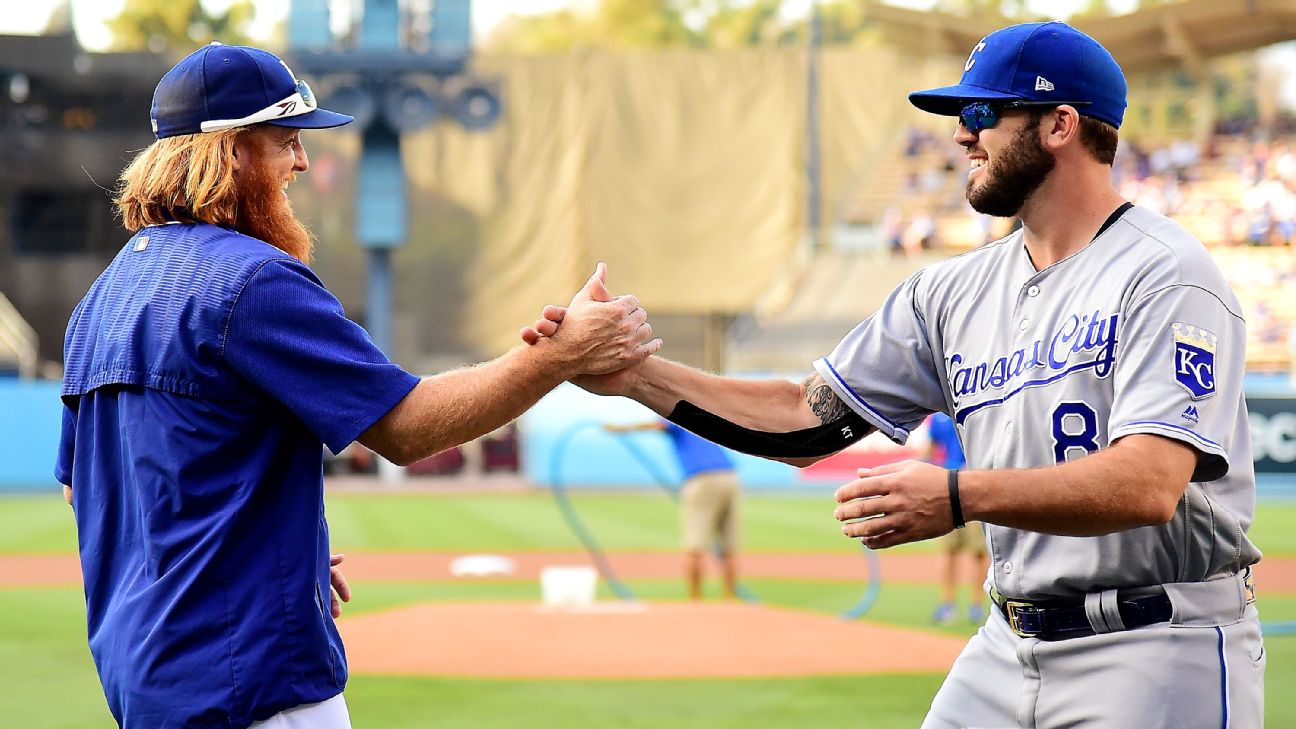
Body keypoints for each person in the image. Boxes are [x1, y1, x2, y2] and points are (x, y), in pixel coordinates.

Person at [525, 21, 1264, 728]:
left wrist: (956, 496)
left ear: (1059, 125)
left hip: (1156, 640)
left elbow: (1148, 482)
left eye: (979, 111)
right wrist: (635, 376)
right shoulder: (950, 292)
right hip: (1010, 642)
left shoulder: (1165, 273)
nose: (959, 133)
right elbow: (803, 419)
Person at [54, 43, 660, 729]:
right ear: (229, 152)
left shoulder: (100, 300)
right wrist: (558, 356)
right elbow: (403, 428)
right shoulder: (252, 280)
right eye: (286, 141)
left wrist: (271, 550)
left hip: (145, 684)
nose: (303, 163)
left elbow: (90, 487)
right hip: (251, 686)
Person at [605, 419, 741, 600]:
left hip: (702, 478)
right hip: (730, 476)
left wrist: (621, 428)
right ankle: (730, 597)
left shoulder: (679, 416)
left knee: (694, 545)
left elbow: (659, 425)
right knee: (728, 545)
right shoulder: (702, 416)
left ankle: (695, 600)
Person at [921, 412, 988, 625]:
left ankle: (976, 605)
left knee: (978, 552)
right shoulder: (939, 417)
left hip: (975, 486)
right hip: (949, 489)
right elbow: (930, 450)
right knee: (950, 551)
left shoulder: (975, 409)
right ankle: (948, 604)